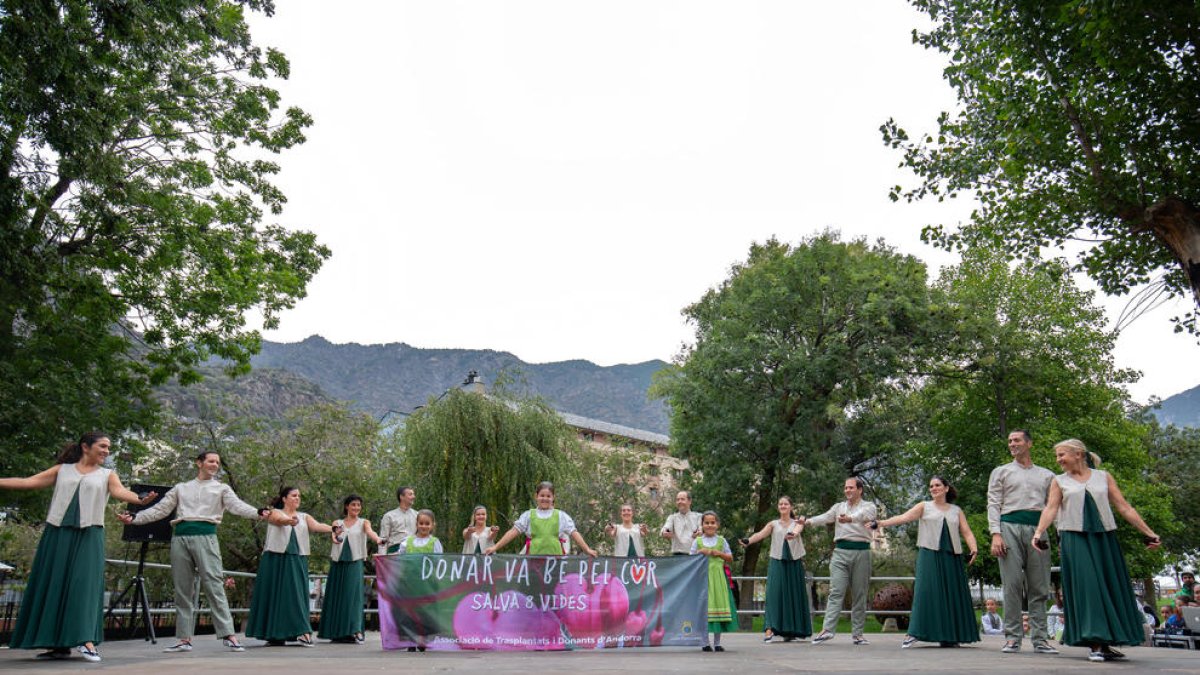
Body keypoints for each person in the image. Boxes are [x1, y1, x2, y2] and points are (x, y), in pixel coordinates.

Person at [1, 432, 155, 662]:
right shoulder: (62, 470)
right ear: (86, 447)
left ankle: (86, 640)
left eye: (108, 448)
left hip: (89, 534)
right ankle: (58, 645)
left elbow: (120, 492)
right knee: (54, 584)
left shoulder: (107, 475)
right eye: (102, 446)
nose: (106, 451)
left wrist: (139, 500)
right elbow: (28, 482)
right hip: (57, 534)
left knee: (83, 586)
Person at [118, 450, 266, 653]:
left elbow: (237, 506)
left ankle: (229, 635)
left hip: (206, 536)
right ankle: (184, 639)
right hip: (180, 537)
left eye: (217, 462)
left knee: (214, 584)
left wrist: (258, 512)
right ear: (199, 463)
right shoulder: (181, 488)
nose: (215, 465)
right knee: (183, 588)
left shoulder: (221, 488)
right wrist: (135, 518)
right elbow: (160, 510)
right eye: (211, 461)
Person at [1031, 438, 1162, 663]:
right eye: (1057, 456)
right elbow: (1050, 508)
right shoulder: (1059, 481)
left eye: (1062, 455)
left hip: (1104, 538)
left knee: (1109, 586)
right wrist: (1038, 533)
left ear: (1079, 454)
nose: (1058, 460)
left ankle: (1107, 641)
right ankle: (1095, 642)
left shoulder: (1104, 477)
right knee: (1089, 587)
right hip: (1075, 539)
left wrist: (1149, 532)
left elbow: (1124, 506)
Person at [871, 476, 979, 648]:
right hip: (929, 554)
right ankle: (914, 633)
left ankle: (950, 636)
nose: (933, 488)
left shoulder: (956, 511)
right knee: (925, 592)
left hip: (952, 556)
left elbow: (966, 532)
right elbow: (903, 518)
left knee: (951, 594)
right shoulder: (924, 506)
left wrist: (974, 548)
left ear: (946, 488)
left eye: (937, 485)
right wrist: (880, 523)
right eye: (931, 486)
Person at [987, 429, 1057, 655]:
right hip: (1009, 527)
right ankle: (1012, 637)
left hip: (1038, 529)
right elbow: (993, 503)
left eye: (1016, 440)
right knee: (1013, 584)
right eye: (1009, 441)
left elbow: (1053, 507)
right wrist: (995, 534)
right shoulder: (1001, 472)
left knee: (1039, 585)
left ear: (1029, 443)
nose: (1012, 444)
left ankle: (1040, 639)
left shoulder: (1047, 475)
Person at [246, 486, 340, 647]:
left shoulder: (304, 516)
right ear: (284, 498)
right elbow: (277, 520)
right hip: (275, 559)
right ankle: (275, 634)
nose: (297, 498)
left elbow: (316, 526)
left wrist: (332, 528)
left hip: (296, 559)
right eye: (294, 495)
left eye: (299, 496)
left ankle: (302, 631)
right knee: (276, 595)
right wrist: (288, 521)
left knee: (295, 594)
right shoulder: (274, 511)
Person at [802, 476, 877, 646]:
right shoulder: (838, 507)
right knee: (836, 591)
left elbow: (864, 516)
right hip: (840, 552)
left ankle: (857, 634)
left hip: (861, 553)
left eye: (851, 487)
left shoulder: (869, 506)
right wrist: (807, 522)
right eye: (845, 488)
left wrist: (850, 519)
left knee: (860, 594)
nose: (847, 490)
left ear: (860, 490)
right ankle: (827, 630)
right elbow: (825, 517)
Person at [740, 495, 810, 642]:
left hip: (794, 562)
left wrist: (793, 534)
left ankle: (791, 630)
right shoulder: (773, 524)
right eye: (780, 504)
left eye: (785, 504)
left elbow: (797, 530)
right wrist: (748, 541)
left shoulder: (798, 522)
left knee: (793, 595)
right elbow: (760, 534)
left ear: (791, 507)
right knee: (774, 594)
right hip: (777, 561)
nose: (783, 506)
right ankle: (769, 629)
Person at [317, 494, 381, 644]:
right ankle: (336, 632)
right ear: (347, 506)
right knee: (337, 596)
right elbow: (334, 537)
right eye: (353, 505)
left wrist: (378, 539)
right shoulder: (337, 523)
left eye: (359, 505)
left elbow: (370, 532)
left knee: (352, 597)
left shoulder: (364, 522)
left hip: (354, 562)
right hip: (338, 563)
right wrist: (336, 537)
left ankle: (355, 630)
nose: (356, 508)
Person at [485, 482, 597, 557]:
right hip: (533, 560)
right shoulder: (528, 515)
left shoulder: (561, 516)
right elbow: (513, 532)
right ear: (536, 496)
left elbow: (574, 533)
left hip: (555, 560)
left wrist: (587, 550)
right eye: (542, 495)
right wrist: (495, 547)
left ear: (553, 497)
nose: (545, 498)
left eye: (548, 496)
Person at [691, 511, 736, 652]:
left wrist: (720, 554)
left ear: (717, 525)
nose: (710, 525)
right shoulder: (697, 541)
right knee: (705, 608)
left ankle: (717, 642)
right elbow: (690, 560)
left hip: (718, 578)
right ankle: (705, 642)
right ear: (702, 525)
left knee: (718, 606)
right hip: (703, 578)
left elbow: (730, 558)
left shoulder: (722, 541)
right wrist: (700, 552)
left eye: (712, 522)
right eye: (706, 523)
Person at [660, 490, 703, 556]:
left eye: (682, 499)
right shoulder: (672, 518)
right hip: (678, 556)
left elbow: (701, 529)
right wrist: (664, 532)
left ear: (689, 501)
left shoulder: (698, 516)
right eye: (677, 500)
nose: (679, 502)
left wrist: (700, 532)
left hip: (694, 556)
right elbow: (666, 528)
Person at [378, 485, 417, 554]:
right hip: (394, 552)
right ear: (401, 497)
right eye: (410, 494)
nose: (414, 497)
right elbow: (383, 539)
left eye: (413, 494)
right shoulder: (389, 516)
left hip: (413, 552)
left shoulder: (417, 515)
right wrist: (382, 558)